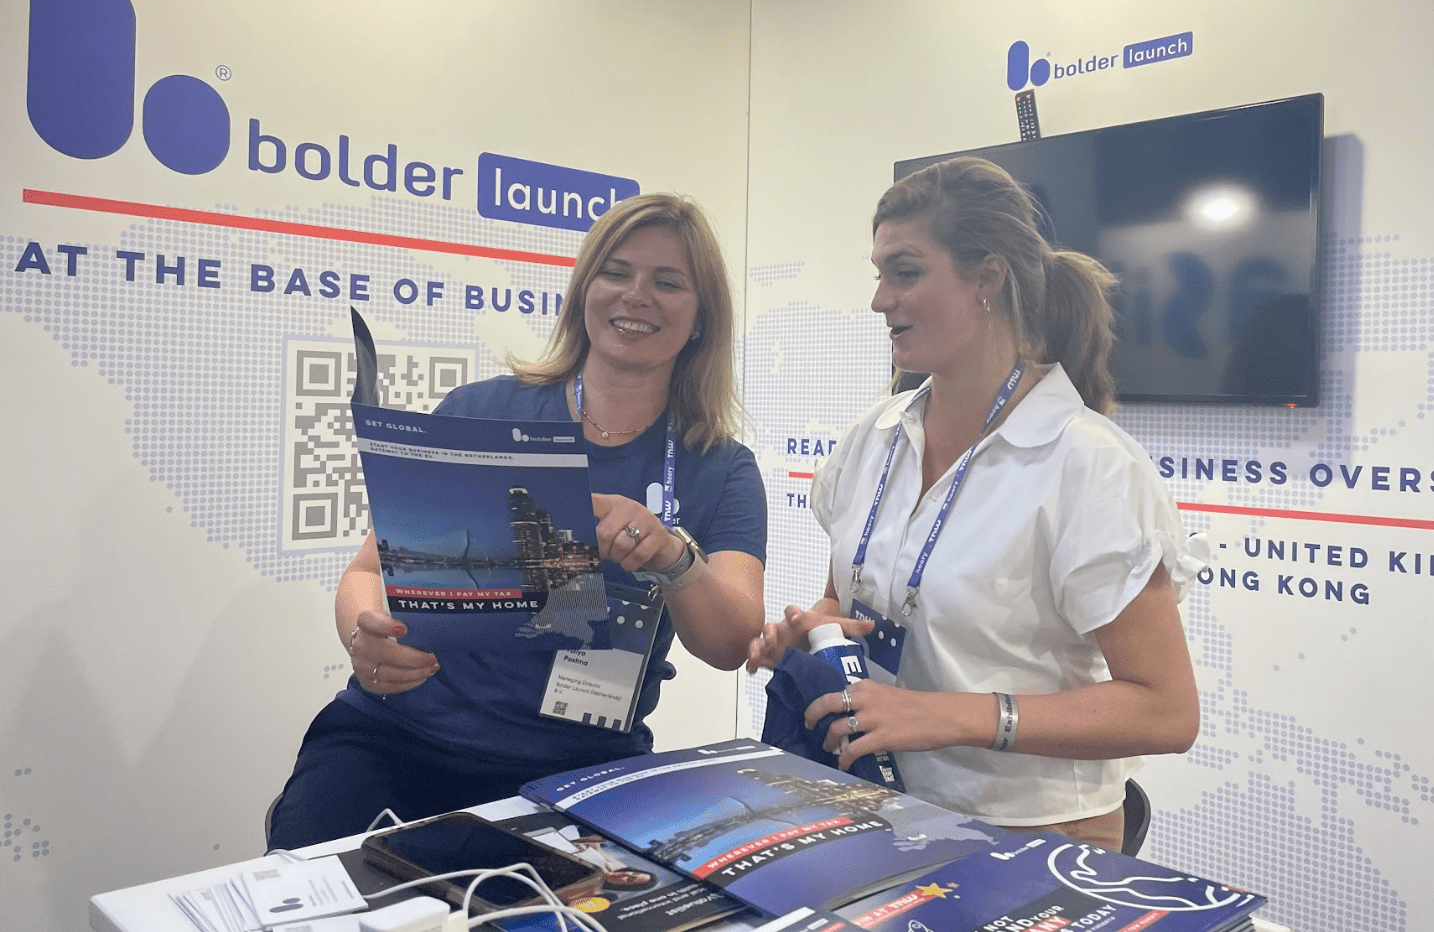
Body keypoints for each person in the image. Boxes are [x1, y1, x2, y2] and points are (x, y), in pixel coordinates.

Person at [269, 193, 767, 850]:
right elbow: (367, 571)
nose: (637, 295)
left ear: (702, 317)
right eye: (616, 272)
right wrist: (363, 636)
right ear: (584, 290)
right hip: (398, 740)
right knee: (306, 889)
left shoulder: (720, 467)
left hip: (580, 768)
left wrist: (673, 557)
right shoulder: (479, 413)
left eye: (668, 282)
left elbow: (733, 642)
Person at [746, 157, 1202, 852]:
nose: (880, 301)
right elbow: (844, 602)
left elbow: (1166, 712)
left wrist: (949, 715)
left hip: (1032, 835)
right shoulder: (874, 436)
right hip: (878, 805)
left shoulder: (1088, 464)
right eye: (879, 275)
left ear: (987, 277)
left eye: (905, 273)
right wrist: (813, 634)